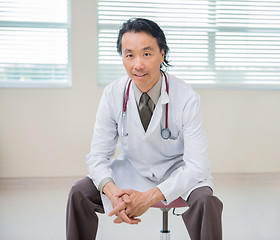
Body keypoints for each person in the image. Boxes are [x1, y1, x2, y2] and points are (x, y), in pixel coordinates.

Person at [66, 18, 223, 240]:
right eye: (129, 55)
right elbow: (98, 156)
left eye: (147, 54)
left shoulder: (186, 97)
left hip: (177, 172)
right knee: (79, 192)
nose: (137, 64)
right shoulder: (113, 94)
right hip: (132, 170)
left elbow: (197, 165)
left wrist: (149, 197)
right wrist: (112, 192)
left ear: (162, 54)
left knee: (206, 201)